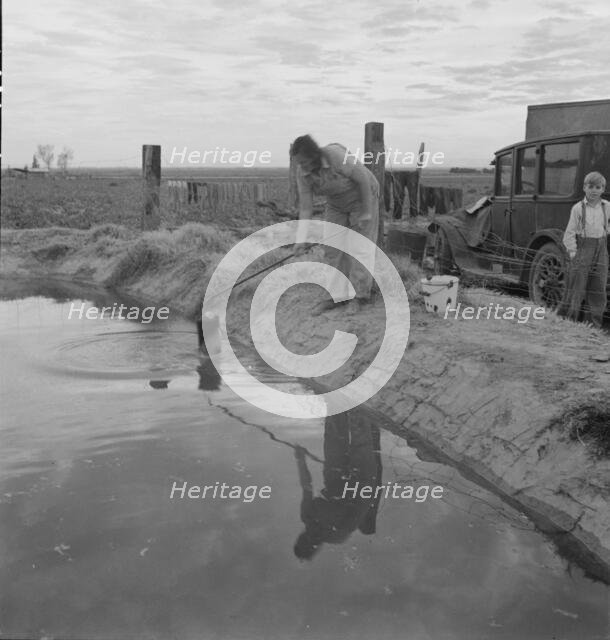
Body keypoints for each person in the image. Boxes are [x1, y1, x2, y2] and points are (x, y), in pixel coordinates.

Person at [291, 135, 380, 315]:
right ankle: (337, 296)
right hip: (336, 204)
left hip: (362, 197)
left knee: (360, 247)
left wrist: (366, 212)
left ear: (314, 155)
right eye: (298, 163)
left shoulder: (336, 156)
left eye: (304, 162)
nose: (301, 166)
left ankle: (359, 297)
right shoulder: (303, 173)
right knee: (332, 248)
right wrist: (301, 240)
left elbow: (363, 179)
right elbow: (306, 207)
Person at [293, 411, 382, 561]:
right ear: (315, 546)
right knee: (360, 435)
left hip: (334, 479)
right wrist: (362, 479)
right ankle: (361, 398)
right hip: (360, 488)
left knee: (333, 435)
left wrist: (300, 459)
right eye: (309, 541)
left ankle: (337, 398)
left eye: (304, 537)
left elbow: (306, 486)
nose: (309, 535)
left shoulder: (307, 516)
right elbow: (362, 505)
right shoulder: (338, 534)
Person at [561, 171, 609, 327]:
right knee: (577, 287)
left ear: (603, 189)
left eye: (598, 187)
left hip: (601, 249)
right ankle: (570, 322)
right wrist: (573, 251)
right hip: (583, 248)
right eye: (591, 187)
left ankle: (593, 325)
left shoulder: (607, 206)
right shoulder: (577, 208)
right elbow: (569, 232)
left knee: (598, 287)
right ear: (584, 188)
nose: (594, 190)